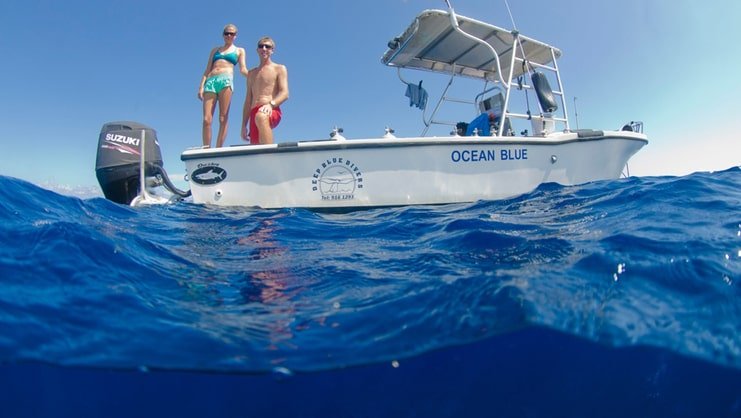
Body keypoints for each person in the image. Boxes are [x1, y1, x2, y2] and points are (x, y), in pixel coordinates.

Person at [198, 24, 249, 148]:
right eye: (227, 33)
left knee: (223, 117)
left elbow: (243, 69)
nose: (229, 35)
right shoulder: (215, 50)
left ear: (235, 36)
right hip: (211, 81)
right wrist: (201, 86)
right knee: (206, 119)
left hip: (225, 80)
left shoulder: (239, 50)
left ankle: (218, 148)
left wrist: (254, 74)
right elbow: (207, 69)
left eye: (232, 33)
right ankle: (206, 148)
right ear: (223, 35)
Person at [241, 36, 289, 145]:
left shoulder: (279, 68)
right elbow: (248, 101)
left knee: (261, 116)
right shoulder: (251, 74)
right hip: (254, 112)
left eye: (267, 46)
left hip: (270, 109)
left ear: (272, 50)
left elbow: (285, 93)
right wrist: (243, 125)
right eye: (261, 46)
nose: (264, 48)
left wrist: (270, 105)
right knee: (255, 147)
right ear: (257, 50)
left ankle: (270, 157)